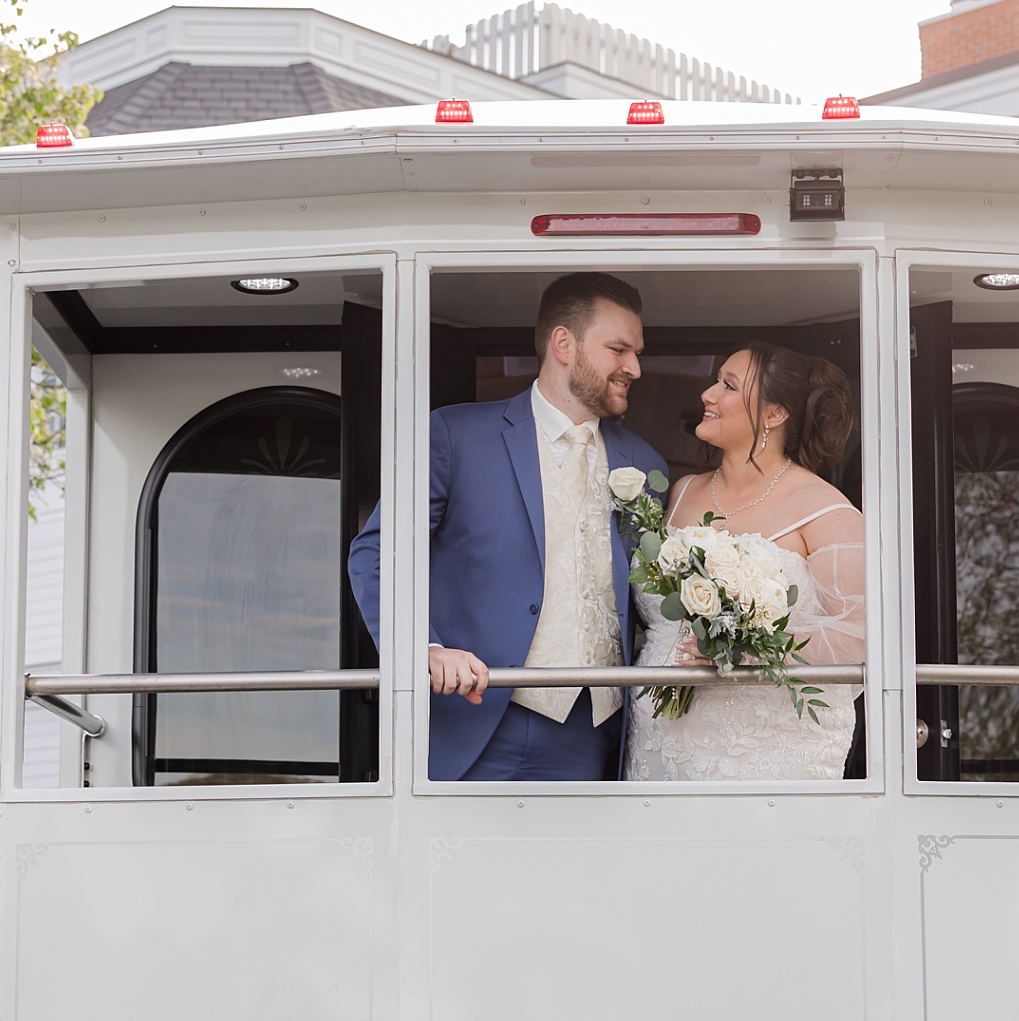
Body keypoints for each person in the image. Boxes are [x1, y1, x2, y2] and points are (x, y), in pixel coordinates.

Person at [348, 272, 665, 781]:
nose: (635, 368)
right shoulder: (455, 435)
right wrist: (423, 649)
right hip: (472, 719)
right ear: (564, 343)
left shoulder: (646, 465)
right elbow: (379, 553)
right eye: (619, 349)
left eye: (637, 352)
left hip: (593, 731)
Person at [623, 344, 865, 783]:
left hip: (766, 748)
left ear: (774, 414)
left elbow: (863, 636)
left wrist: (744, 644)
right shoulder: (680, 493)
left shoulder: (825, 510)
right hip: (659, 737)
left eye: (728, 385)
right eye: (716, 380)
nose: (707, 395)